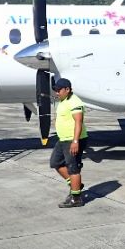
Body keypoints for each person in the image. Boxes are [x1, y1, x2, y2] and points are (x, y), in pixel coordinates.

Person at [50, 78, 88, 208]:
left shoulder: (75, 101)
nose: (56, 93)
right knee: (55, 162)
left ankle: (76, 199)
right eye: (55, 90)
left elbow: (78, 122)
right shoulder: (63, 100)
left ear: (67, 89)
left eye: (58, 90)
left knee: (73, 168)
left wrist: (75, 141)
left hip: (73, 140)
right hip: (63, 139)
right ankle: (75, 185)